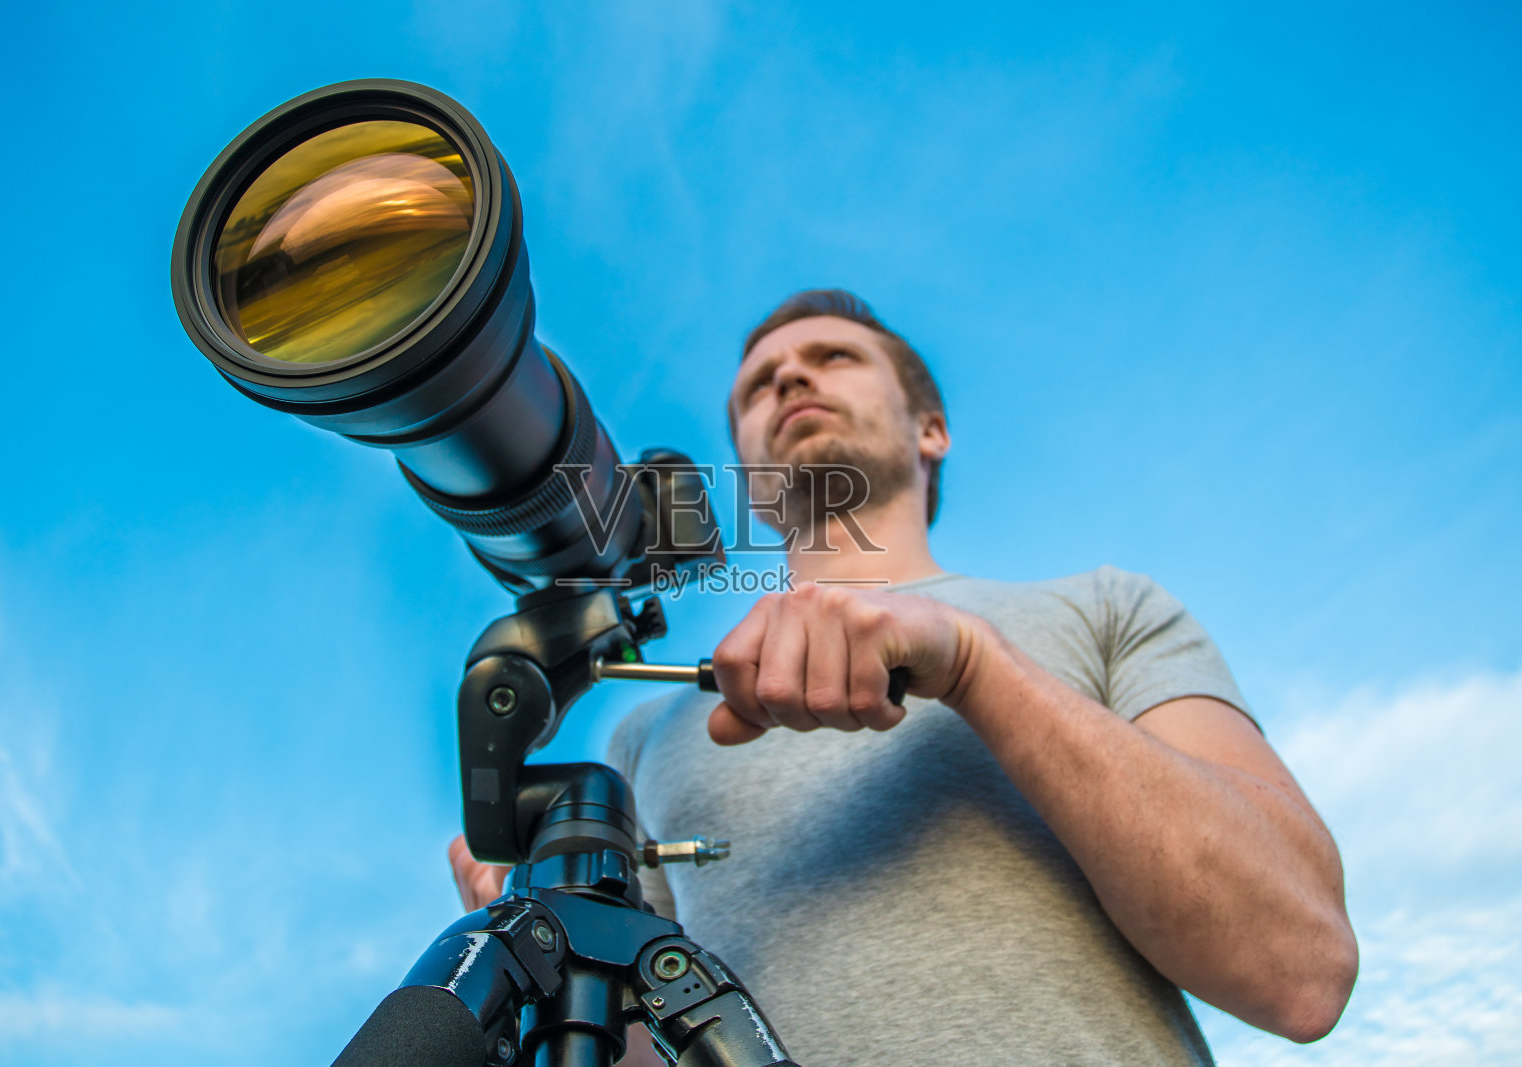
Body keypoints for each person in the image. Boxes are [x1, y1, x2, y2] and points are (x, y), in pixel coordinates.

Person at [451, 290, 1358, 1065]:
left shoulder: (1107, 606)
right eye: (758, 386)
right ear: (754, 483)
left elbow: (1299, 963)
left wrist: (974, 664)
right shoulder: (641, 737)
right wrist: (552, 949)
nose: (789, 381)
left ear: (932, 429)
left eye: (832, 357)